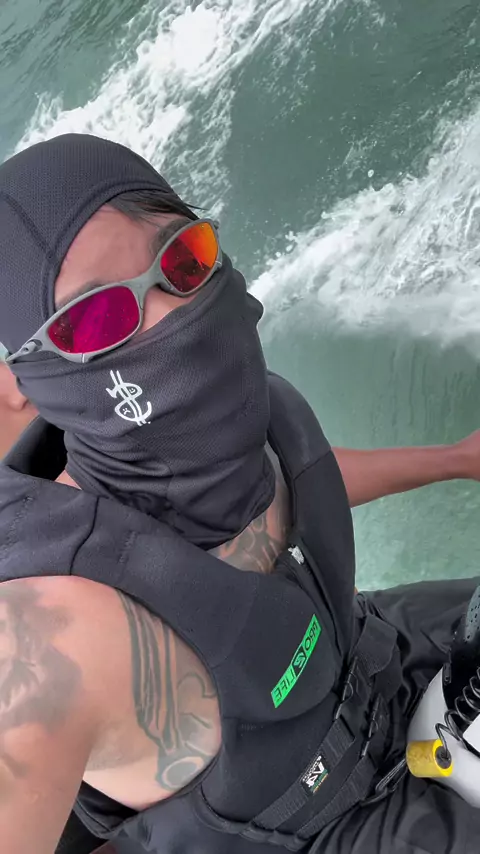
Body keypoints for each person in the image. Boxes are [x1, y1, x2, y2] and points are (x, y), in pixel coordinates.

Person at [1, 134, 480, 854]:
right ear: (23, 379)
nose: (171, 313)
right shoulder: (41, 645)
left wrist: (457, 458)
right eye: (97, 317)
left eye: (182, 259)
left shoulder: (229, 422)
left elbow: (300, 481)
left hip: (376, 657)